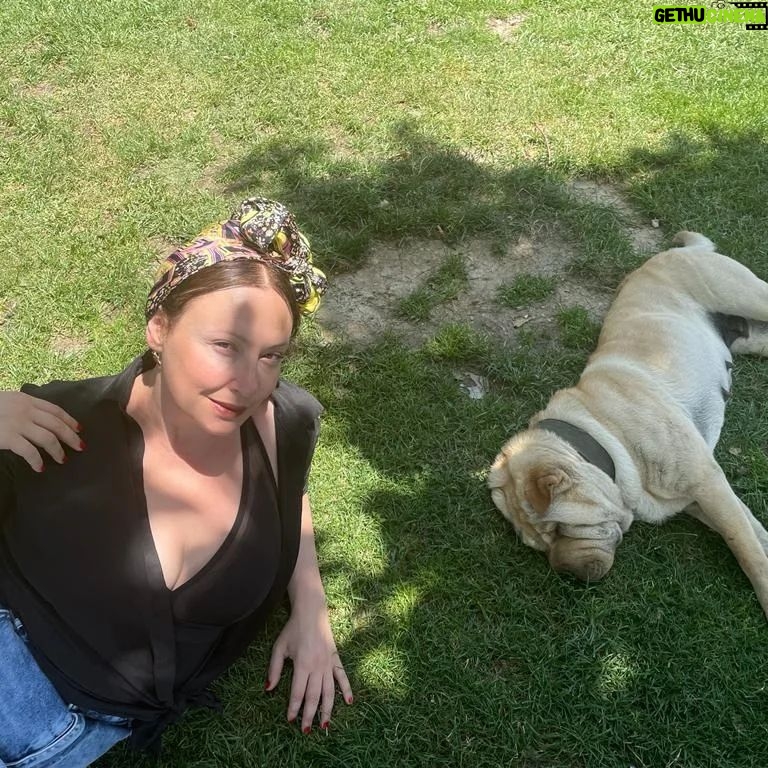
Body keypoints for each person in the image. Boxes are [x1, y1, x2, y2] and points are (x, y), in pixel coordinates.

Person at [0, 197, 352, 766]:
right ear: (159, 328)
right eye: (225, 346)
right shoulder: (59, 423)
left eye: (271, 356)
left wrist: (311, 609)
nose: (248, 383)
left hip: (78, 736)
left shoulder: (285, 422)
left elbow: (293, 495)